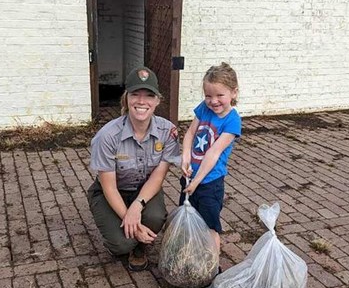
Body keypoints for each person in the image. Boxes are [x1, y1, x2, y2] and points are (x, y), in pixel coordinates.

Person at [88, 67, 180, 271]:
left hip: (144, 188)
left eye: (149, 95)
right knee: (121, 244)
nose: (141, 101)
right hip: (111, 191)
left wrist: (137, 207)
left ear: (157, 100)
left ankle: (140, 248)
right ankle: (126, 242)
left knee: (155, 217)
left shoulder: (168, 132)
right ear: (126, 99)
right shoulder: (107, 136)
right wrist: (129, 218)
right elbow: (109, 187)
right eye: (135, 94)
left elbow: (158, 176)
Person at [180, 62, 241, 268]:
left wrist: (197, 182)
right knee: (188, 220)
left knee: (209, 226)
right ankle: (190, 256)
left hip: (209, 182)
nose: (213, 101)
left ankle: (211, 266)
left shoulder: (232, 121)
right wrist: (185, 157)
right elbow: (190, 133)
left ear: (233, 92)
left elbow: (214, 153)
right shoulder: (204, 109)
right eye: (208, 95)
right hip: (190, 179)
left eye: (219, 95)